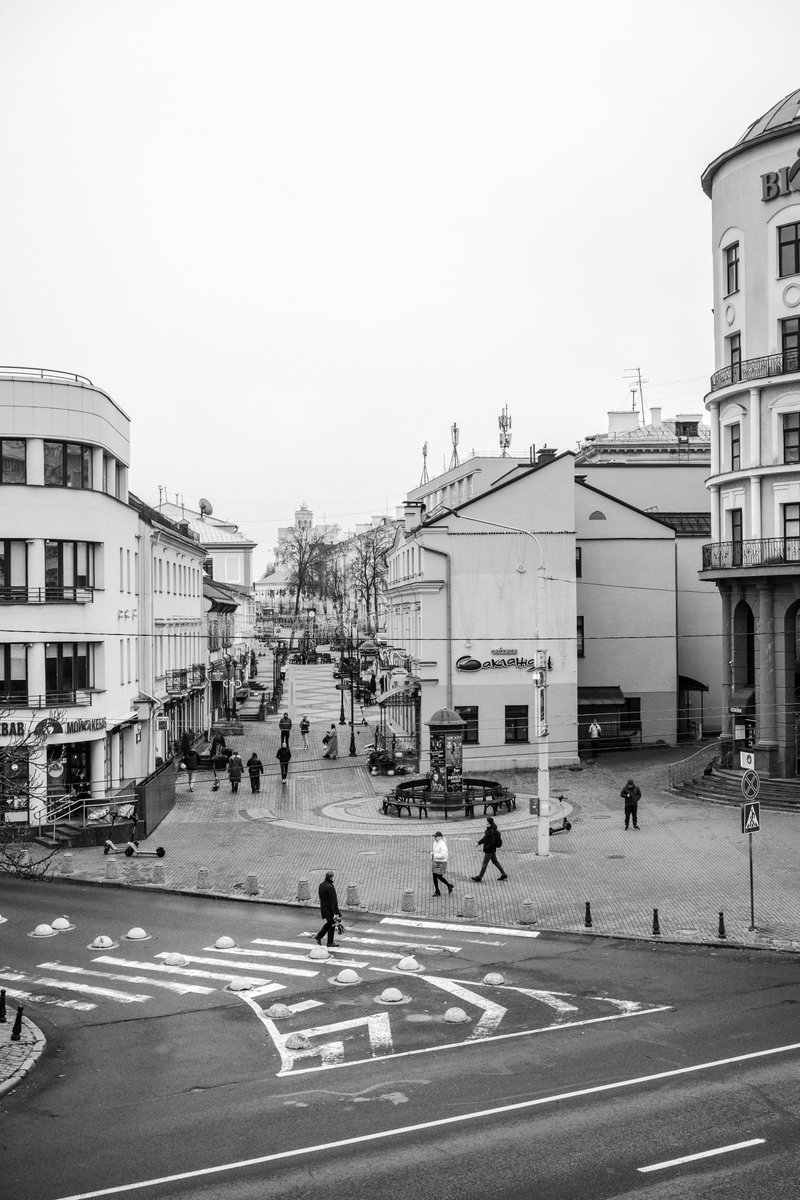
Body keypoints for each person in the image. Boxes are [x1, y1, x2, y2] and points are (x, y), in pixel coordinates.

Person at [472, 816, 508, 882]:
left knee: (484, 863)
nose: (486, 824)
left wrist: (487, 847)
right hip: (492, 850)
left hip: (489, 850)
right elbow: (485, 838)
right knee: (495, 862)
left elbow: (493, 842)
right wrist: (478, 843)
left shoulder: (492, 831)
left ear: (490, 824)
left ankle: (479, 877)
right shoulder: (490, 830)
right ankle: (504, 874)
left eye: (487, 823)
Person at [315, 870, 341, 947]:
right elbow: (334, 902)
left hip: (324, 908)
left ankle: (329, 941)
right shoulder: (330, 888)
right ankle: (319, 936)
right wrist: (337, 913)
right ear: (331, 877)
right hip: (330, 910)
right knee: (330, 923)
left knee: (331, 924)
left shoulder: (321, 885)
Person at [430, 831, 454, 897]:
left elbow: (443, 855)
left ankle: (445, 887)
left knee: (438, 876)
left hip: (441, 862)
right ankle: (440, 889)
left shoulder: (442, 845)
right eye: (434, 836)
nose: (435, 838)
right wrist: (432, 853)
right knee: (436, 876)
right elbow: (435, 850)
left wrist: (434, 855)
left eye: (436, 837)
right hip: (436, 861)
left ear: (440, 837)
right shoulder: (436, 843)